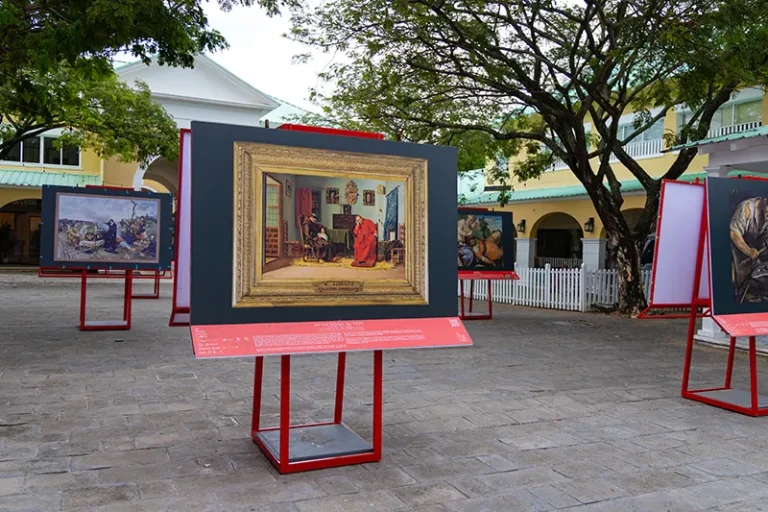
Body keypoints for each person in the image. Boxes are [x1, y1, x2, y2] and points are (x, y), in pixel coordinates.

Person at [731, 196, 768, 288]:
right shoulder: (747, 208)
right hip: (739, 249)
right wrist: (749, 251)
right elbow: (734, 233)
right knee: (737, 282)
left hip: (757, 254)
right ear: (764, 201)